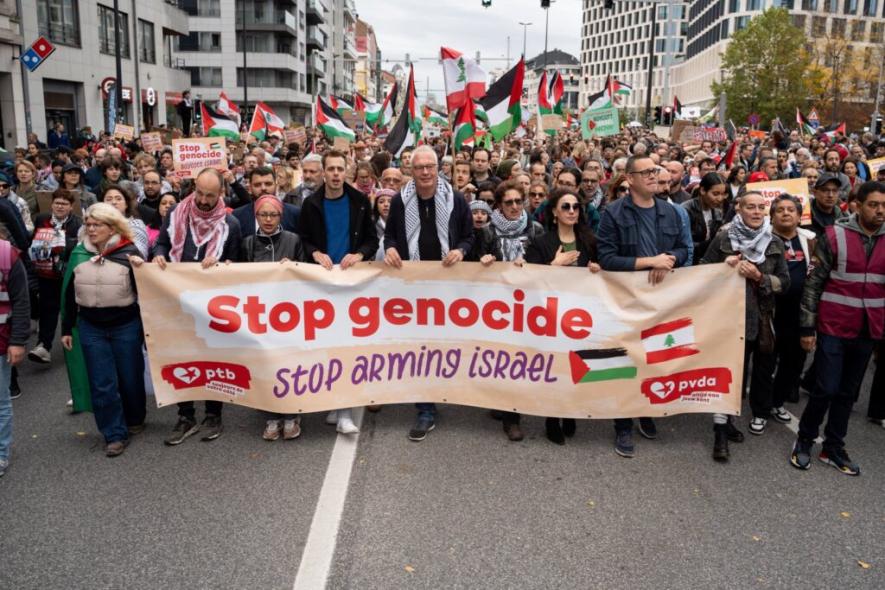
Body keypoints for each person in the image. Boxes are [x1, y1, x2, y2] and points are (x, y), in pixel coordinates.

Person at [596, 155, 690, 458]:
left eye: (655, 170)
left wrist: (672, 259)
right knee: (625, 360)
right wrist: (650, 261)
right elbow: (607, 258)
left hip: (660, 300)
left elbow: (682, 250)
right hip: (625, 300)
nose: (653, 175)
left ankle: (646, 409)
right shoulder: (612, 214)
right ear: (630, 179)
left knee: (654, 356)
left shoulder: (671, 212)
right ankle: (623, 424)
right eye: (646, 172)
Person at [790, 181, 885, 476]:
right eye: (874, 205)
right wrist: (807, 328)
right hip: (834, 325)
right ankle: (804, 440)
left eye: (884, 205)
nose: (880, 210)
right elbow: (814, 283)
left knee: (847, 393)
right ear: (857, 205)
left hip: (869, 329)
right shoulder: (835, 236)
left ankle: (833, 447)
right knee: (826, 388)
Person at [384, 145, 473, 442]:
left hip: (448, 285)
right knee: (421, 347)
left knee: (446, 344)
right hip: (414, 287)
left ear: (438, 169)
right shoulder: (400, 201)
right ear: (410, 169)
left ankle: (448, 389)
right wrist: (392, 248)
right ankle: (425, 408)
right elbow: (391, 236)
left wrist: (460, 250)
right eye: (419, 167)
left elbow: (468, 237)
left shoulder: (456, 200)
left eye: (429, 167)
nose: (424, 172)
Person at [153, 168, 242, 445]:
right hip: (178, 300)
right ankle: (186, 414)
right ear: (194, 187)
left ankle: (213, 413)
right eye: (200, 193)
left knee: (213, 359)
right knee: (182, 357)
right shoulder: (176, 213)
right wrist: (158, 256)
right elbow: (163, 243)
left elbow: (238, 267)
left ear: (221, 194)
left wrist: (224, 266)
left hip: (213, 306)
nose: (203, 200)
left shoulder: (232, 224)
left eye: (210, 196)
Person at [701, 191, 789, 461]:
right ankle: (721, 432)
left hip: (759, 321)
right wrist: (723, 267)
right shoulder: (724, 237)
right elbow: (704, 269)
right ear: (738, 209)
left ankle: (739, 417)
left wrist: (760, 277)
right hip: (728, 319)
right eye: (750, 207)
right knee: (728, 377)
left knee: (757, 372)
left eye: (760, 208)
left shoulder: (773, 242)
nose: (755, 212)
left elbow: (784, 283)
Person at [297, 150, 378, 435]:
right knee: (328, 347)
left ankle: (344, 410)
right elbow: (303, 240)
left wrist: (359, 254)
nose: (334, 174)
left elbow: (371, 238)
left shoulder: (359, 202)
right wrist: (315, 253)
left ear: (347, 171)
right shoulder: (311, 204)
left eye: (339, 169)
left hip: (352, 283)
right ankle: (335, 404)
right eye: (330, 169)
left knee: (347, 346)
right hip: (321, 284)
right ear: (322, 172)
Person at [60, 203, 145, 457]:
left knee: (130, 377)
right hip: (91, 327)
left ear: (112, 228)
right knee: (102, 382)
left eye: (97, 225)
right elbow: (68, 293)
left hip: (125, 325)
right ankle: (114, 434)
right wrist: (66, 328)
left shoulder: (129, 253)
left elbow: (145, 292)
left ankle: (135, 417)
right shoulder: (77, 254)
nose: (91, 229)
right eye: (88, 224)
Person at [525, 188, 600, 445]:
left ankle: (569, 410)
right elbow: (528, 280)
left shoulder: (590, 241)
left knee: (574, 365)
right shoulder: (541, 242)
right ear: (555, 212)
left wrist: (597, 269)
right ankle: (551, 418)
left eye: (575, 207)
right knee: (553, 368)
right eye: (565, 207)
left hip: (580, 316)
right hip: (548, 316)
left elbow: (605, 273)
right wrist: (553, 267)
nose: (571, 211)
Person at [240, 195, 306, 441]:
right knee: (265, 365)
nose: (268, 220)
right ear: (256, 216)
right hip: (260, 316)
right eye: (263, 215)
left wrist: (294, 267)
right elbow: (238, 278)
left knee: (288, 365)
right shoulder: (247, 243)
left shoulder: (293, 240)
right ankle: (271, 415)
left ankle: (291, 415)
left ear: (281, 216)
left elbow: (306, 273)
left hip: (289, 316)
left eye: (273, 215)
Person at [28, 189, 82, 364]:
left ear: (71, 207)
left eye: (64, 204)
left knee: (70, 310)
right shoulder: (41, 219)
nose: (60, 206)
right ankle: (44, 346)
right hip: (46, 274)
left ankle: (74, 345)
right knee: (47, 310)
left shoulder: (78, 223)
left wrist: (64, 247)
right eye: (57, 203)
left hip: (68, 275)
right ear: (51, 204)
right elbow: (32, 245)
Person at [770, 195, 815, 406]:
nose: (786, 213)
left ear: (799, 216)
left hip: (800, 313)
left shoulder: (811, 240)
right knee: (766, 361)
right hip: (769, 312)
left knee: (793, 362)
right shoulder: (762, 239)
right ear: (771, 216)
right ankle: (761, 408)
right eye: (780, 210)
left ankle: (777, 402)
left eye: (791, 210)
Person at [0, 231, 30, 476]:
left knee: (0, 402)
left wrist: (18, 341)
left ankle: (1, 453)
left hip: (1, 340)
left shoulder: (6, 254)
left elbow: (21, 300)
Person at [682, 173, 727, 264]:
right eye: (715, 194)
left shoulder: (718, 212)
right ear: (702, 190)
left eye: (723, 194)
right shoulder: (686, 210)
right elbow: (684, 244)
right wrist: (709, 244)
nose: (720, 198)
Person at [101, 184, 149, 258]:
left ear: (126, 204)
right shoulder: (93, 224)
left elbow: (140, 252)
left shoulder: (136, 224)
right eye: (109, 199)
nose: (114, 202)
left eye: (118, 199)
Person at [809, 173, 847, 237]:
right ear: (815, 193)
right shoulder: (805, 217)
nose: (830, 195)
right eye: (825, 190)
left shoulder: (844, 217)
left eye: (835, 191)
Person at [372, 189, 395, 262]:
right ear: (376, 206)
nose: (386, 204)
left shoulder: (402, 226)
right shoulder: (370, 226)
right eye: (381, 202)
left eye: (390, 202)